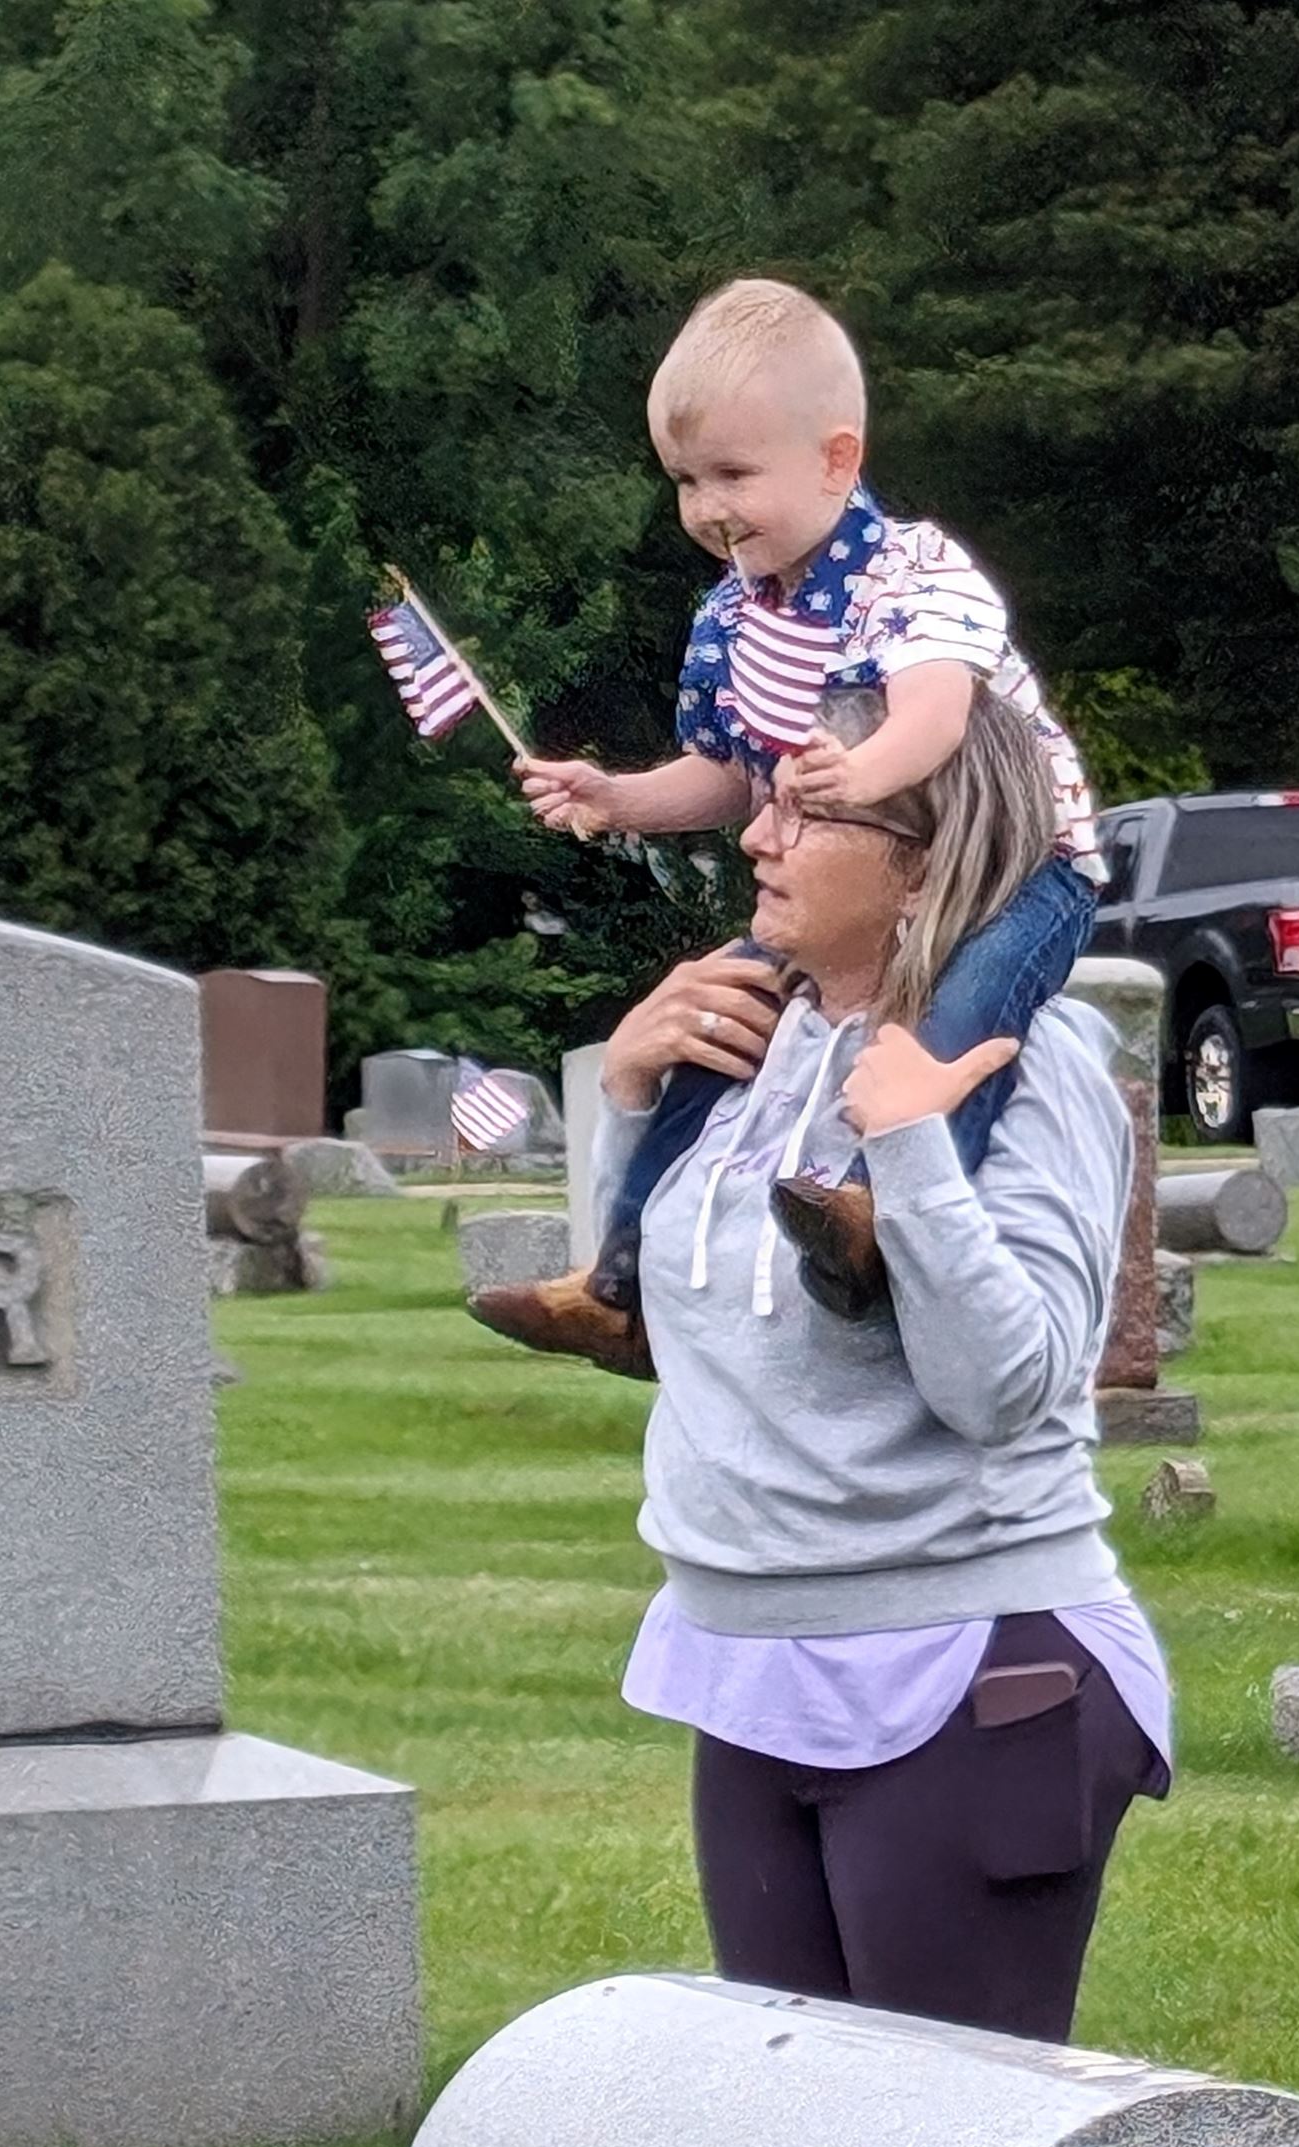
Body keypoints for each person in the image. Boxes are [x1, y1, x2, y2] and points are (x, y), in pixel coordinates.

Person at [476, 689, 1169, 2043]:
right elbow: (682, 1334)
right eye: (763, 804)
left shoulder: (1032, 1070)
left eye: (809, 810)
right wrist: (624, 1095)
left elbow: (1007, 1387)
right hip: (748, 1658)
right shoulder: (745, 1040)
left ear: (922, 859)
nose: (757, 840)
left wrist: (910, 1146)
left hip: (964, 1674)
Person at [501, 276, 1103, 1375]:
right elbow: (730, 776)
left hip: (1018, 869)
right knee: (713, 1024)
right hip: (862, 872)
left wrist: (848, 774)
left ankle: (875, 1217)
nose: (706, 508)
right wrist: (617, 795)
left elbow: (931, 717)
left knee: (952, 1028)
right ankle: (618, 1284)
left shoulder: (915, 575)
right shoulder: (732, 613)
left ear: (834, 461)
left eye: (732, 473)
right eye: (684, 480)